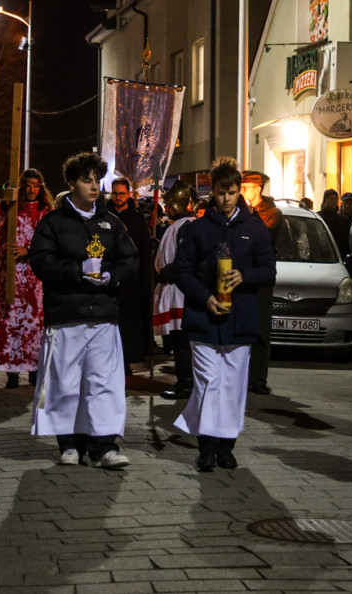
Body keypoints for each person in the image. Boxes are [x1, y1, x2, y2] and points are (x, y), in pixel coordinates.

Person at [28, 152, 138, 468]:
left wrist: (112, 275)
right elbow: (40, 261)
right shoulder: (53, 222)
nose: (94, 187)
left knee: (103, 382)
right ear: (72, 183)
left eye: (96, 180)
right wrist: (78, 270)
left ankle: (104, 447)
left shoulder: (111, 223)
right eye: (87, 180)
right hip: (66, 314)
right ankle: (70, 444)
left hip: (103, 315)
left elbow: (130, 260)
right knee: (65, 383)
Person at [173, 157, 276, 471]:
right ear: (212, 193)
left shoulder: (255, 228)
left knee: (231, 387)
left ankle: (226, 447)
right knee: (207, 384)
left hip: (239, 321)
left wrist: (245, 276)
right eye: (220, 193)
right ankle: (206, 447)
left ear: (239, 191)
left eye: (231, 192)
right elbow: (182, 271)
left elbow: (269, 271)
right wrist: (205, 298)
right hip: (203, 321)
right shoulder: (198, 229)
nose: (227, 198)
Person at [0, 169, 53, 388]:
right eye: (27, 185)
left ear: (41, 188)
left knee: (32, 326)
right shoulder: (9, 208)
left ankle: (32, 369)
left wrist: (28, 251)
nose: (31, 190)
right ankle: (12, 371)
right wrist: (4, 206)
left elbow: (51, 241)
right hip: (7, 275)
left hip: (33, 277)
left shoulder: (45, 211)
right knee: (10, 322)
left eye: (35, 185)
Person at [152, 180, 195, 400]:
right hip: (172, 291)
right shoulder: (175, 226)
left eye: (169, 203)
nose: (166, 207)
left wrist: (169, 272)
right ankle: (182, 382)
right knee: (178, 342)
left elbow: (186, 260)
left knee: (182, 342)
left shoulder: (187, 227)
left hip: (179, 292)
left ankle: (186, 384)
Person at [240, 170, 281, 395]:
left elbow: (264, 237)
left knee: (262, 330)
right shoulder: (242, 212)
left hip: (262, 277)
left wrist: (249, 215)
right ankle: (243, 375)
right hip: (244, 275)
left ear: (257, 189)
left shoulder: (272, 213)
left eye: (245, 188)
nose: (242, 192)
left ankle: (258, 378)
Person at [108, 177, 153, 374]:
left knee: (129, 325)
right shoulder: (105, 215)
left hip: (131, 281)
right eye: (115, 194)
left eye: (121, 194)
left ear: (128, 194)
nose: (118, 198)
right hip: (110, 279)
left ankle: (127, 362)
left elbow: (143, 250)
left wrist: (146, 278)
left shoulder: (136, 218)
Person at [318, 189, 351, 256]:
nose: (333, 201)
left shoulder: (342, 220)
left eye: (335, 199)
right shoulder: (318, 217)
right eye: (330, 198)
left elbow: (345, 241)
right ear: (325, 200)